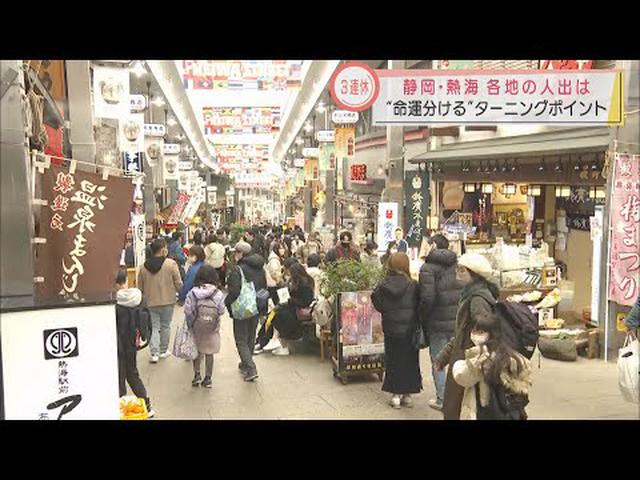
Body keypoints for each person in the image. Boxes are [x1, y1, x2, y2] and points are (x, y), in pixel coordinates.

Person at [434, 252, 499, 420]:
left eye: (462, 270)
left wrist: (476, 360)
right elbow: (462, 331)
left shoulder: (477, 298)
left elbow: (483, 332)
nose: (458, 273)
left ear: (474, 274)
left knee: (461, 409)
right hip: (463, 357)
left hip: (470, 361)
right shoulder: (470, 294)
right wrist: (444, 357)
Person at [452, 313, 531, 420]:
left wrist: (476, 365)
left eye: (480, 332)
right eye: (473, 331)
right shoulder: (513, 356)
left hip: (486, 412)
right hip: (510, 413)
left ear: (492, 334)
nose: (475, 335)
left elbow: (462, 377)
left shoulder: (481, 357)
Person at [418, 234, 463, 411]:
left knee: (438, 360)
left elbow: (427, 299)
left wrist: (423, 317)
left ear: (434, 245)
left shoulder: (427, 268)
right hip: (457, 321)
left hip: (436, 321)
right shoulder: (458, 266)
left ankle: (442, 399)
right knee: (456, 359)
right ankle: (456, 398)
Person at [371, 253, 422, 408]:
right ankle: (407, 394)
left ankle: (395, 395)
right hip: (409, 328)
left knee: (393, 360)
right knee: (410, 360)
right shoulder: (413, 285)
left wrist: (388, 312)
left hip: (391, 327)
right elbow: (419, 304)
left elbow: (377, 302)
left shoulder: (383, 285)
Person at [115, 268, 155, 418]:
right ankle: (147, 405)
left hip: (117, 344)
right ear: (126, 280)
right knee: (132, 374)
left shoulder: (113, 301)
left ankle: (120, 407)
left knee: (119, 375)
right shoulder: (138, 297)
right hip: (132, 342)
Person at [137, 238, 183, 363]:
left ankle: (154, 354)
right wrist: (179, 291)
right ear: (163, 249)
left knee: (154, 327)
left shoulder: (143, 267)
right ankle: (163, 351)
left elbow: (139, 287)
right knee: (165, 326)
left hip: (150, 301)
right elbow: (178, 282)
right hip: (168, 300)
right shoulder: (170, 264)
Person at [225, 241, 266, 382]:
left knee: (241, 339)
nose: (234, 255)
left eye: (236, 252)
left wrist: (227, 302)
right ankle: (245, 363)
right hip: (256, 306)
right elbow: (263, 287)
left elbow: (234, 291)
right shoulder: (260, 267)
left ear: (241, 253)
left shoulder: (238, 270)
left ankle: (251, 367)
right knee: (250, 337)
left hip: (242, 308)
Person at [184, 265, 226, 389]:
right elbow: (221, 310)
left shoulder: (193, 292)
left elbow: (188, 310)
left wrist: (190, 323)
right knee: (209, 353)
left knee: (196, 352)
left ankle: (197, 375)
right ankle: (208, 379)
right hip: (212, 329)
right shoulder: (217, 293)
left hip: (196, 328)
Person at [266, 262, 316, 356]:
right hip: (294, 308)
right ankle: (275, 340)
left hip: (299, 310)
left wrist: (290, 300)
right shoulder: (300, 282)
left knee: (279, 315)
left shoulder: (304, 285)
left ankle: (280, 343)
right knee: (275, 312)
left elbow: (305, 301)